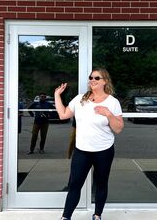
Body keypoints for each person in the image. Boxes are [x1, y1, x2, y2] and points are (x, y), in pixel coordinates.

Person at [54, 68, 124, 220]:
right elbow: (63, 115)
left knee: (101, 184)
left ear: (105, 81)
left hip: (103, 151)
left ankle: (97, 215)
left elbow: (118, 128)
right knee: (74, 185)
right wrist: (57, 96)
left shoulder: (112, 102)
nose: (92, 80)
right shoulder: (80, 99)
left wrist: (108, 114)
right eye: (91, 77)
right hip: (82, 151)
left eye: (96, 78)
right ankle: (65, 217)